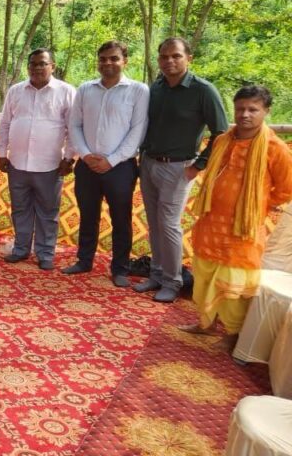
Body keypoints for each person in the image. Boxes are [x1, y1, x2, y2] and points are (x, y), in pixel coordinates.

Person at [183, 85, 292, 336]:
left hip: (242, 228)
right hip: (211, 223)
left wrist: (256, 204)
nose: (245, 114)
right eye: (240, 108)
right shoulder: (222, 141)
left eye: (253, 109)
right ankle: (206, 323)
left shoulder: (275, 149)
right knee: (204, 274)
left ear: (266, 111)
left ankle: (233, 334)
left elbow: (286, 189)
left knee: (235, 283)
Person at [135, 37, 228, 303]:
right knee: (153, 222)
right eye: (164, 57)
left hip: (179, 168)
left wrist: (198, 165)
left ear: (189, 58)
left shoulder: (203, 90)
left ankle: (173, 281)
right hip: (150, 163)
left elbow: (221, 133)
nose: (169, 61)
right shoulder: (157, 87)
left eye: (175, 56)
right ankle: (156, 274)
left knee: (169, 225)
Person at [65, 41, 149, 285]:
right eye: (103, 59)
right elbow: (75, 125)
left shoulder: (138, 90)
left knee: (120, 217)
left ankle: (120, 269)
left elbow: (137, 130)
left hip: (120, 166)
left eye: (114, 58)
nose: (107, 63)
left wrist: (111, 161)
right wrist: (86, 155)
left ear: (125, 61)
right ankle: (84, 260)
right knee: (87, 214)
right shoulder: (85, 89)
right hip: (87, 164)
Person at [0, 49, 76, 270]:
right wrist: (2, 153)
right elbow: (4, 124)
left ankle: (45, 253)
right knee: (20, 209)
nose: (37, 68)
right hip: (18, 163)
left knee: (48, 212)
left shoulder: (67, 92)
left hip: (50, 165)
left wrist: (69, 158)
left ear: (53, 65)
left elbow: (73, 129)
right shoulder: (16, 91)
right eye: (33, 64)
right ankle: (21, 249)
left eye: (42, 64)